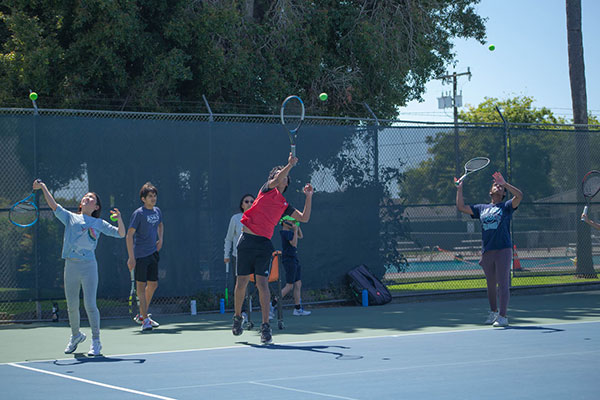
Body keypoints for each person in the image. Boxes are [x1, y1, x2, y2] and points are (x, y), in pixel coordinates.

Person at [33, 180, 125, 355]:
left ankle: (96, 341)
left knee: (90, 304)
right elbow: (53, 205)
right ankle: (75, 335)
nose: (86, 198)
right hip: (71, 265)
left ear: (96, 206)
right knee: (72, 305)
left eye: (91, 198)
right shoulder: (70, 217)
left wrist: (120, 219)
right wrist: (43, 187)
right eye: (85, 196)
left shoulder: (100, 224)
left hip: (89, 267)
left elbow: (121, 234)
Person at [232, 152, 313, 344]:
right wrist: (289, 164)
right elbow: (277, 178)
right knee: (241, 283)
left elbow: (304, 218)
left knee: (262, 285)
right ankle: (237, 318)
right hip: (246, 241)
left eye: (283, 176)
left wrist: (309, 196)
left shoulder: (284, 205)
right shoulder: (266, 190)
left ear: (286, 183)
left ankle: (265, 327)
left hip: (264, 246)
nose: (279, 177)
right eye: (277, 175)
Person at [456, 171, 523, 327]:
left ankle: (503, 316)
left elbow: (519, 196)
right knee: (491, 284)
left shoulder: (506, 206)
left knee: (503, 283)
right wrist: (459, 188)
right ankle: (493, 313)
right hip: (488, 250)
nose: (498, 187)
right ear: (490, 191)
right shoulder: (481, 208)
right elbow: (461, 207)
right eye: (496, 185)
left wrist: (505, 183)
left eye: (501, 187)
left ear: (504, 193)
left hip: (503, 249)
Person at [126, 182, 164, 332]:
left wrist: (161, 239)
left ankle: (142, 315)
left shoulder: (157, 211)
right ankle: (145, 319)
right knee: (141, 287)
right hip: (140, 255)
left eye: (154, 196)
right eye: (150, 196)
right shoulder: (139, 214)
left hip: (153, 253)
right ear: (143, 198)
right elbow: (129, 235)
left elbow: (161, 225)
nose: (153, 198)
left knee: (153, 285)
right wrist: (131, 257)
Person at [276, 215, 311, 316]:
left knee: (298, 283)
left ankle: (297, 309)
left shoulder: (290, 232)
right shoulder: (285, 233)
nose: (292, 222)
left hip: (294, 259)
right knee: (289, 286)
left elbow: (301, 236)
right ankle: (272, 304)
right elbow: (294, 243)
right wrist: (295, 230)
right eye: (290, 221)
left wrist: (297, 226)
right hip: (288, 260)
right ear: (284, 222)